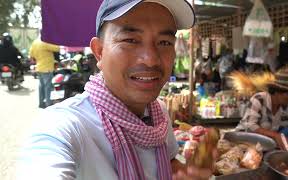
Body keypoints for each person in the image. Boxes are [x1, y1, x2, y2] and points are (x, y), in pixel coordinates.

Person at [17, 1, 215, 180]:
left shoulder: (157, 113)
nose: (151, 59)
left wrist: (187, 173)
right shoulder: (66, 125)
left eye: (164, 42)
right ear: (99, 51)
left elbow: (166, 166)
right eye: (130, 40)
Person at [236, 71, 288, 150]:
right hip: (247, 139)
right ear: (276, 92)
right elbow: (250, 126)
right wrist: (276, 135)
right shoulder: (259, 99)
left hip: (268, 141)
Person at [29, 38, 60, 108]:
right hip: (47, 68)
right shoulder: (45, 42)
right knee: (48, 87)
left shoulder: (35, 42)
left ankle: (41, 103)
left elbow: (31, 54)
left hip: (39, 67)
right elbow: (57, 48)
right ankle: (48, 104)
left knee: (41, 86)